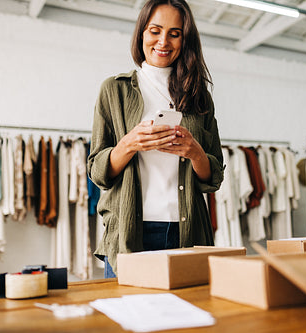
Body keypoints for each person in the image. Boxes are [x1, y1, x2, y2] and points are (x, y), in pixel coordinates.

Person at [87, 0, 224, 278]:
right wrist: (129, 143)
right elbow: (97, 172)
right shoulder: (114, 90)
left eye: (175, 33)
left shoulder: (199, 97)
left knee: (187, 318)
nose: (163, 41)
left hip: (187, 233)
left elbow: (214, 177)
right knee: (128, 317)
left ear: (185, 40)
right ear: (141, 34)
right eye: (155, 30)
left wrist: (195, 152)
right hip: (129, 232)